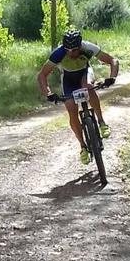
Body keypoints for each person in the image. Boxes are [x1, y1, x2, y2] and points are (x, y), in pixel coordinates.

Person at [37, 29, 119, 164]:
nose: (71, 53)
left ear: (80, 46)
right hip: (68, 79)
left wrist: (112, 78)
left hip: (84, 73)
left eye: (74, 50)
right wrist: (48, 93)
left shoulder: (88, 48)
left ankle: (101, 122)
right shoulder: (58, 53)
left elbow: (112, 60)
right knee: (71, 109)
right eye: (68, 50)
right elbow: (42, 75)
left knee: (88, 86)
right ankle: (83, 146)